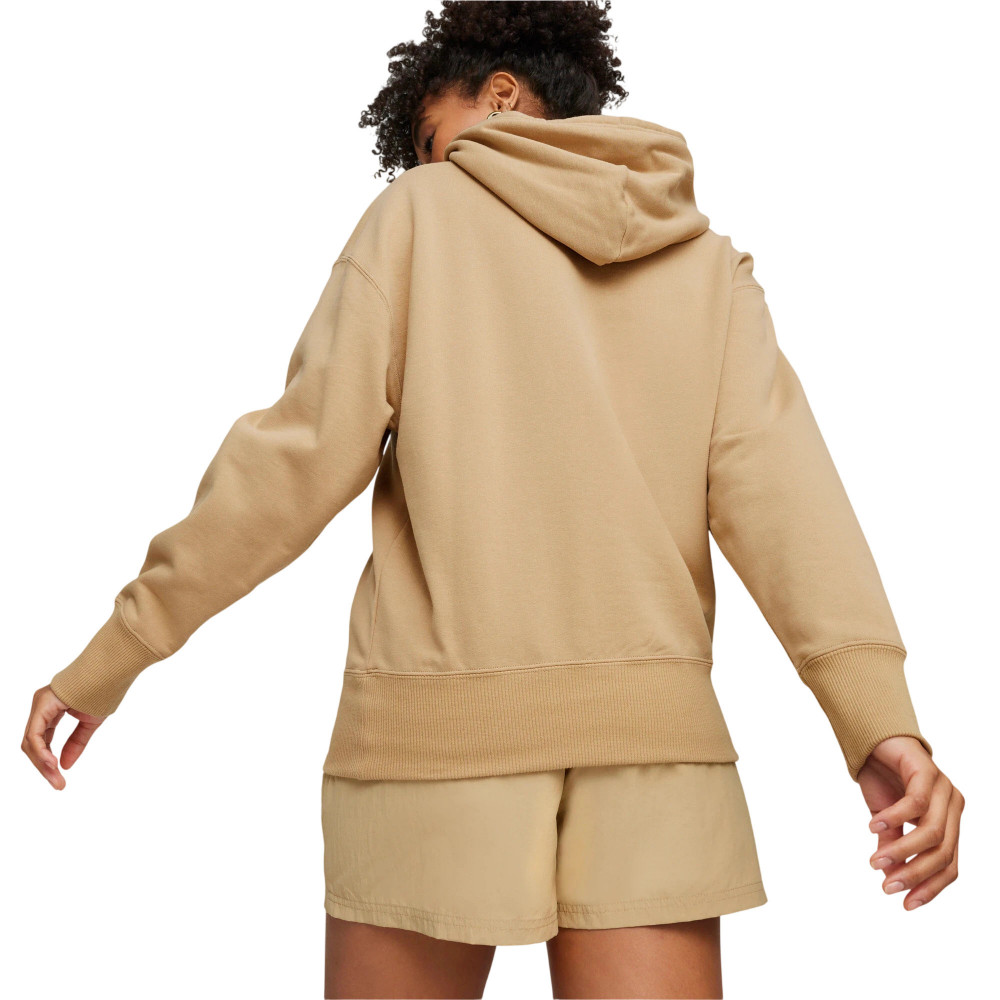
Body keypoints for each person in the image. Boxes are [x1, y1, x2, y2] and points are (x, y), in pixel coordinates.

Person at [23, 3, 963, 998]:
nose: (431, 168)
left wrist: (117, 652)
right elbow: (790, 503)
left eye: (433, 141)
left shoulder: (419, 216)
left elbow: (290, 464)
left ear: (502, 96)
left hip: (432, 743)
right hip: (653, 749)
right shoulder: (703, 266)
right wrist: (881, 723)